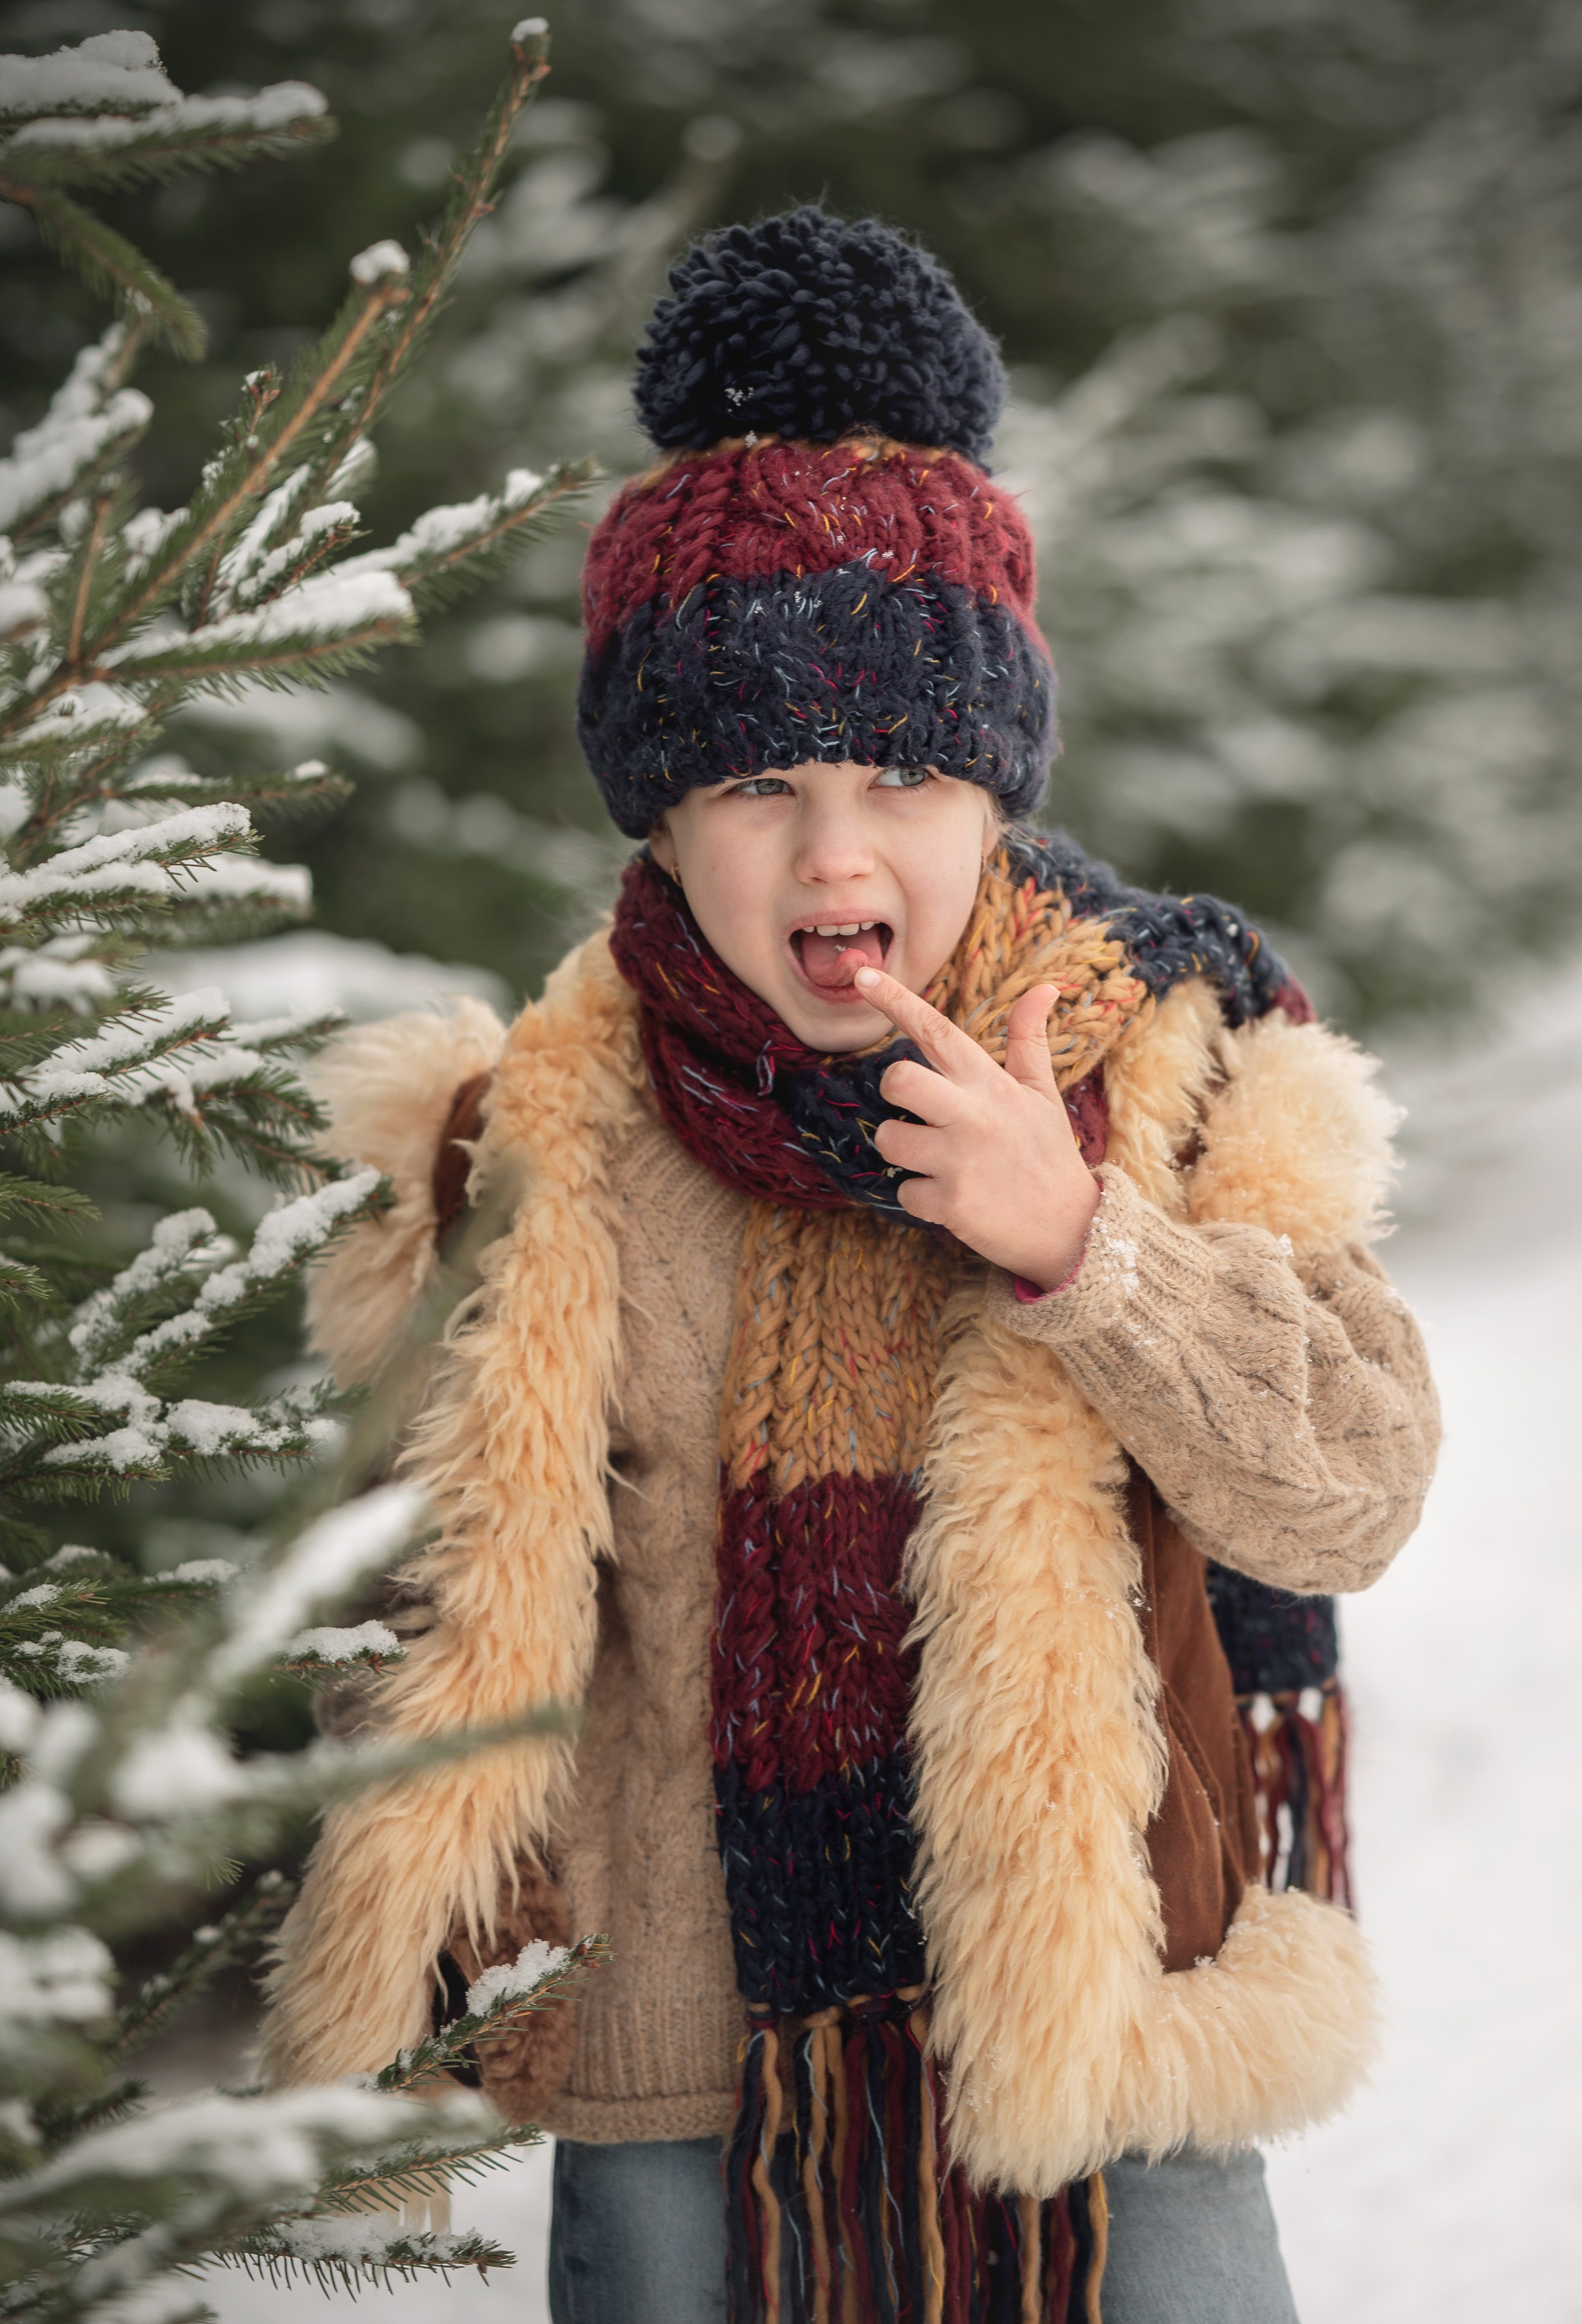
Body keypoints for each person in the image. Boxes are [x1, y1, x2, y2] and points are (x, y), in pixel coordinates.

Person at [260, 209, 1440, 2324]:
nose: (836, 854)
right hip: (682, 2070)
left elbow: (1348, 1489)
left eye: (904, 773)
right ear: (656, 809)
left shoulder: (1170, 1065)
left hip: (1097, 2036)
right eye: (755, 782)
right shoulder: (533, 1138)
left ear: (991, 784)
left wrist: (1085, 1247)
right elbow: (402, 1614)